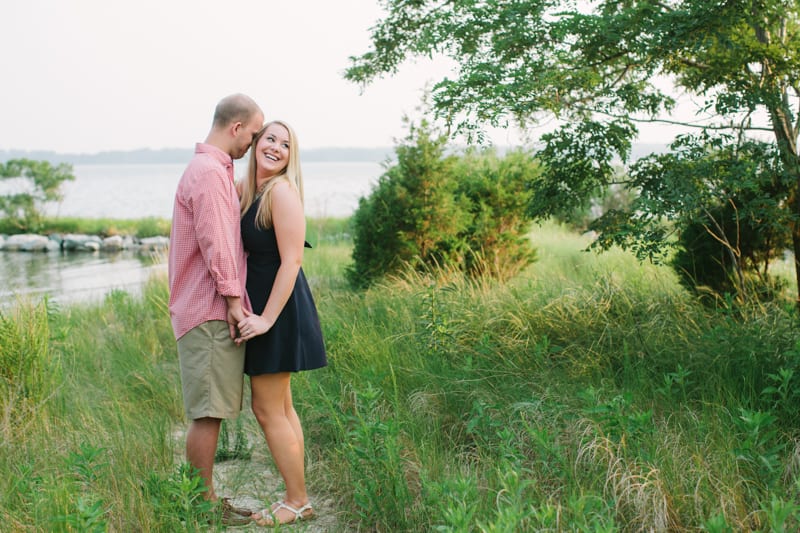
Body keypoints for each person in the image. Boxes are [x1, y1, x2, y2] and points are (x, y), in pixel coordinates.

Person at [168, 93, 264, 526]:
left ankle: (203, 498)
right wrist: (232, 301)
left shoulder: (214, 171)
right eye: (255, 134)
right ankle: (201, 505)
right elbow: (217, 244)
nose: (254, 145)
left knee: (211, 410)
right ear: (236, 127)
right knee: (207, 413)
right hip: (209, 310)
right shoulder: (208, 173)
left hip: (207, 309)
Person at [234, 120, 328, 527]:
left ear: (292, 157)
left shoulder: (282, 193)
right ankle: (295, 496)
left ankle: (298, 500)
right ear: (256, 141)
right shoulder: (252, 191)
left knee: (267, 407)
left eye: (285, 145)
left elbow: (292, 261)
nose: (275, 147)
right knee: (283, 407)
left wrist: (266, 319)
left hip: (278, 311)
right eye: (270, 138)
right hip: (267, 311)